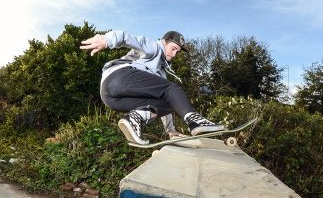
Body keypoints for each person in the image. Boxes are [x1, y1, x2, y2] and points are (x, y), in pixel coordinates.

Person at [80, 30, 223, 145]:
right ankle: (195, 121)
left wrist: (171, 131)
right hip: (119, 77)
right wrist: (107, 40)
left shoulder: (160, 74)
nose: (174, 54)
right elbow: (126, 37)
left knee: (170, 101)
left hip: (111, 98)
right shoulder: (154, 47)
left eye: (177, 52)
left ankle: (134, 118)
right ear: (164, 42)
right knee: (173, 89)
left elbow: (168, 102)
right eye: (173, 49)